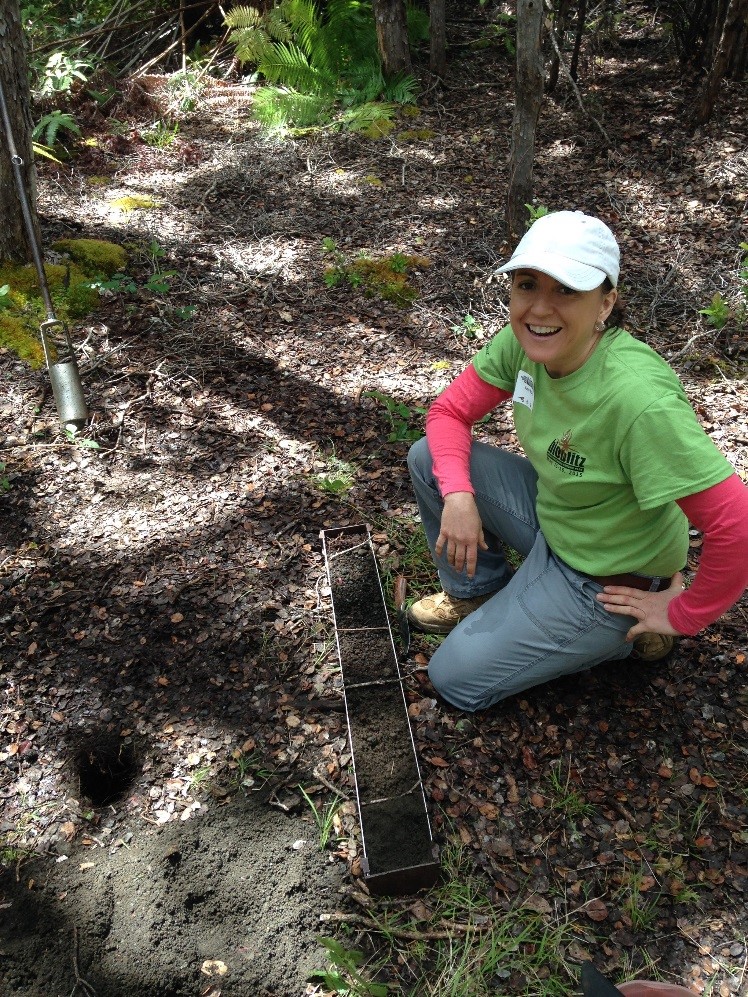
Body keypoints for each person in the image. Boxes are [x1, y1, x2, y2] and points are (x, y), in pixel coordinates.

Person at [407, 210, 748, 713]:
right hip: (558, 520)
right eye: (527, 285)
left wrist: (685, 613)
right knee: (427, 458)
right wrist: (459, 496)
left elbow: (736, 523)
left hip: (609, 582)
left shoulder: (636, 401)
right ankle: (479, 592)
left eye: (567, 290)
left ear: (605, 303)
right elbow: (449, 413)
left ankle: (619, 637)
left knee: (454, 679)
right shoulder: (524, 344)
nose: (540, 308)